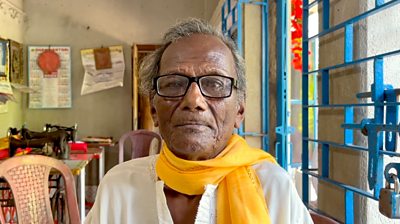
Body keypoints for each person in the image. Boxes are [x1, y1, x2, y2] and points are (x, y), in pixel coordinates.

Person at [85, 18, 313, 224]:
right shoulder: (119, 186)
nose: (193, 100)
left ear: (239, 110)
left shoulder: (272, 187)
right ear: (154, 109)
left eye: (215, 83)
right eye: (174, 83)